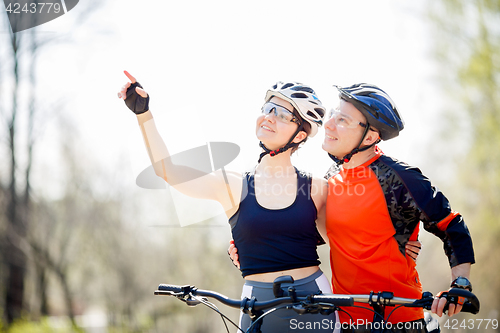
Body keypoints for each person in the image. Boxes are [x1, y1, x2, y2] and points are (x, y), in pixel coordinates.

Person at [117, 71, 340, 332]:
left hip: (312, 300)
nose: (269, 116)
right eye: (268, 108)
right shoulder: (233, 185)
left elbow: (345, 247)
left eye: (281, 114)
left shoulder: (318, 188)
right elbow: (167, 170)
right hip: (254, 304)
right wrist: (143, 114)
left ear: (300, 135)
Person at [321, 83, 475, 332]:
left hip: (398, 318)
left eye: (342, 120)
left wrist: (461, 283)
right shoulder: (329, 178)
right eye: (332, 114)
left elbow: (451, 225)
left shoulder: (399, 178)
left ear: (370, 137)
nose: (328, 124)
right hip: (345, 319)